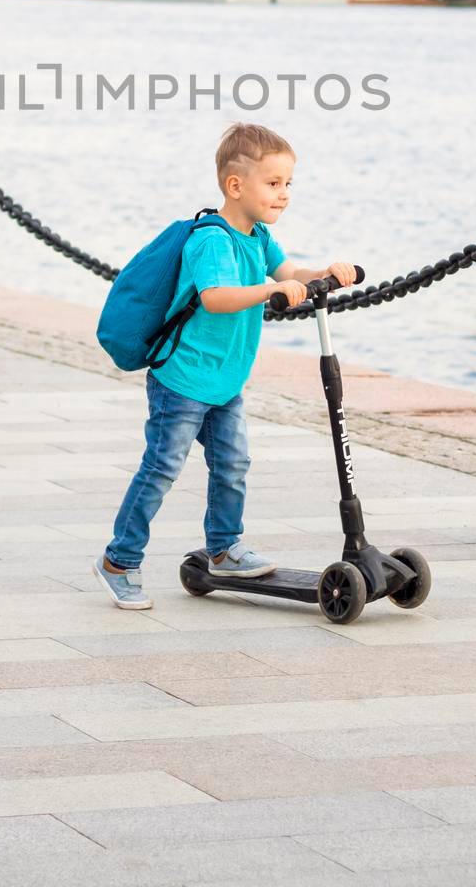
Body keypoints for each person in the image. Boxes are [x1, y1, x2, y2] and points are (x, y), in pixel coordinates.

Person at [93, 121, 357, 609]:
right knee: (162, 470)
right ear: (236, 186)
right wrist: (271, 291)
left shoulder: (256, 236)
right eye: (273, 183)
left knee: (233, 465)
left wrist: (327, 272)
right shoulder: (211, 240)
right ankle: (119, 561)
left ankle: (223, 549)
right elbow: (215, 298)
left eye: (288, 184)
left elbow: (291, 272)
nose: (284, 195)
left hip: (225, 382)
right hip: (183, 381)